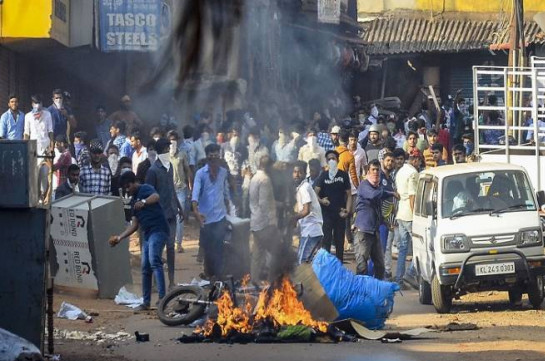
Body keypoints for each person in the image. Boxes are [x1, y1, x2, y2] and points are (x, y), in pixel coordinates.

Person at [109, 171, 168, 311]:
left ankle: (162, 299)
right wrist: (120, 238)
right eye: (125, 188)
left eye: (128, 186)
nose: (127, 190)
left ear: (134, 181)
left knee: (155, 261)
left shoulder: (145, 188)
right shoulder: (134, 200)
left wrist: (144, 201)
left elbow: (156, 196)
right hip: (146, 234)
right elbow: (134, 225)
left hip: (158, 230)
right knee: (145, 268)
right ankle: (146, 302)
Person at [145, 138, 184, 289]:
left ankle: (172, 281)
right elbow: (148, 193)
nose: (169, 152)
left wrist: (179, 207)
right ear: (160, 151)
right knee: (158, 249)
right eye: (166, 150)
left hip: (171, 212)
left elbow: (172, 189)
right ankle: (156, 281)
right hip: (159, 215)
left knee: (170, 247)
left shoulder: (170, 168)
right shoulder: (152, 171)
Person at [192, 143, 231, 279]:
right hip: (205, 218)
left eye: (216, 155)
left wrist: (229, 209)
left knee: (219, 248)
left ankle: (219, 277)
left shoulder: (223, 173)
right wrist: (195, 211)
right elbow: (195, 194)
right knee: (208, 249)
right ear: (207, 157)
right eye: (211, 155)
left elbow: (225, 192)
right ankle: (209, 276)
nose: (213, 158)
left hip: (220, 216)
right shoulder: (200, 174)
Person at [353, 159, 397, 278]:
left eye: (378, 170)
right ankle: (360, 292)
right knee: (362, 266)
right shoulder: (364, 185)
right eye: (373, 169)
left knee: (380, 266)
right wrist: (390, 193)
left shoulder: (377, 187)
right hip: (363, 231)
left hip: (374, 231)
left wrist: (385, 221)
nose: (376, 172)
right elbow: (372, 196)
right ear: (367, 172)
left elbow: (377, 209)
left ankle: (376, 291)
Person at [314, 150, 352, 261]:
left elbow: (349, 195)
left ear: (338, 160)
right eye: (329, 159)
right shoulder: (323, 176)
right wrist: (321, 201)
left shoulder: (343, 175)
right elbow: (314, 193)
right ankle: (327, 267)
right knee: (326, 242)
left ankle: (339, 268)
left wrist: (347, 211)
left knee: (340, 243)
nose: (331, 161)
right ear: (326, 161)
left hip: (340, 214)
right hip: (326, 214)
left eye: (333, 158)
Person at [249, 154, 280, 281]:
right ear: (267, 166)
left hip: (255, 220)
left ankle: (253, 282)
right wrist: (271, 223)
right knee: (276, 252)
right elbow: (264, 204)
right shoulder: (265, 180)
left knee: (257, 255)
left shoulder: (255, 177)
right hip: (264, 224)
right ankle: (273, 281)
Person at [395, 148, 421, 289]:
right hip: (410, 215)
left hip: (401, 212)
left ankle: (399, 279)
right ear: (415, 160)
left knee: (403, 248)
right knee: (418, 247)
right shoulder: (413, 173)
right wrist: (415, 215)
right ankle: (410, 273)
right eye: (419, 160)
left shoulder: (401, 170)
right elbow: (412, 196)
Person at [292, 161, 323, 263]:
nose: (296, 174)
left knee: (301, 263)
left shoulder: (304, 187)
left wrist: (293, 218)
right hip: (310, 231)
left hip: (311, 231)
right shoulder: (301, 187)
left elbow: (306, 210)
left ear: (305, 174)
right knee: (305, 264)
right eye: (295, 172)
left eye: (299, 172)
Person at [168, 130, 193, 253]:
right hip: (169, 190)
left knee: (180, 216)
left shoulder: (182, 154)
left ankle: (178, 243)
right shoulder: (164, 156)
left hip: (181, 188)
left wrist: (190, 185)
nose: (173, 142)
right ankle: (170, 241)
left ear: (178, 141)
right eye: (171, 140)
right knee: (170, 216)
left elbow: (187, 170)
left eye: (175, 140)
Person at [24, 94, 54, 160]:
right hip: (33, 147)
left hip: (45, 146)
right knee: (34, 168)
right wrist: (25, 147)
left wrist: (52, 146)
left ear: (42, 103)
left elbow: (50, 131)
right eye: (35, 103)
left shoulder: (47, 114)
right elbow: (26, 133)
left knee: (46, 168)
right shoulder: (28, 116)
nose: (38, 105)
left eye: (39, 103)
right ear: (32, 104)